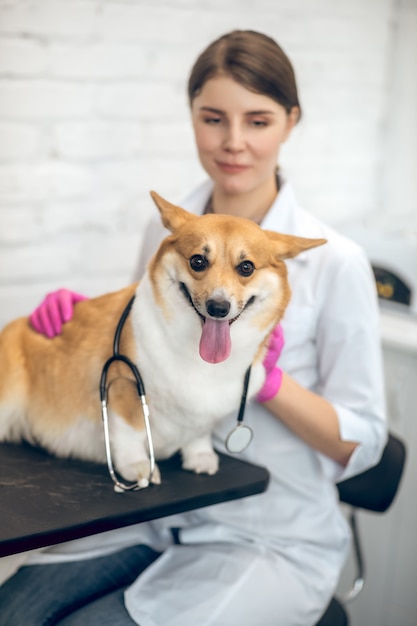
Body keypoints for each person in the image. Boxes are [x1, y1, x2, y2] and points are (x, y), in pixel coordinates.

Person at [0, 30, 387, 626]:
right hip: (157, 509)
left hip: (268, 535)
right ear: (192, 118)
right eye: (213, 119)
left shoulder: (336, 261)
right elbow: (137, 361)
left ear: (290, 121)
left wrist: (264, 379)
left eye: (257, 121)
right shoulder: (173, 238)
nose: (234, 143)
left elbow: (365, 446)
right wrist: (87, 318)